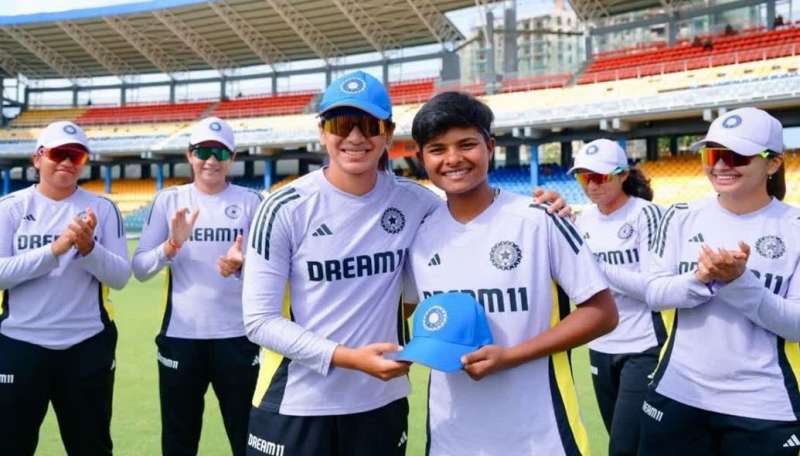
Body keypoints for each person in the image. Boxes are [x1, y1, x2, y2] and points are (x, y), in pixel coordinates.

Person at [241, 72, 570, 456]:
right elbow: (259, 321)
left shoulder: (418, 203)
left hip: (381, 399)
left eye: (369, 125)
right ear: (322, 132)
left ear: (388, 134)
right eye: (341, 124)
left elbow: (477, 222)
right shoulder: (283, 207)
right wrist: (348, 357)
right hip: (295, 402)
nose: (355, 137)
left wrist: (548, 207)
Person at [402, 91, 618, 455]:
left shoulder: (540, 219)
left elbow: (603, 313)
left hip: (540, 437)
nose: (453, 159)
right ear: (421, 157)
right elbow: (405, 311)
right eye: (437, 149)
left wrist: (512, 356)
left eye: (466, 144)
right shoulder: (418, 235)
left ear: (490, 146)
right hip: (448, 438)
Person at [640, 107, 800, 456]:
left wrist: (739, 282)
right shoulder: (680, 216)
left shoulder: (794, 227)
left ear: (773, 163)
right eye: (713, 155)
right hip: (677, 392)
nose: (721, 165)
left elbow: (796, 326)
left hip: (762, 406)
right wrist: (701, 280)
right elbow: (653, 293)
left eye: (736, 156)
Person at [132, 117, 262, 456]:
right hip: (181, 338)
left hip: (239, 338)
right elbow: (140, 268)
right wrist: (171, 246)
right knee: (179, 440)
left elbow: (271, 272)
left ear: (233, 158)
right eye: (203, 151)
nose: (212, 160)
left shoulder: (252, 202)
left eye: (221, 153)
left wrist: (241, 265)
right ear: (190, 155)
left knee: (247, 437)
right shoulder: (169, 200)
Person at [0, 121, 131, 455]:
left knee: (91, 446)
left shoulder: (103, 208)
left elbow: (120, 277)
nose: (68, 162)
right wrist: (55, 250)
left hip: (86, 344)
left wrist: (89, 249)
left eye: (77, 156)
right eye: (59, 154)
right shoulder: (10, 208)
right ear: (38, 158)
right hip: (19, 343)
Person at [569, 139, 667, 456]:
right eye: (584, 177)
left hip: (642, 345)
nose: (591, 185)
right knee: (618, 435)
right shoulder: (582, 220)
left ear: (623, 175)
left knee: (625, 447)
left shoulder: (646, 214)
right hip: (599, 344)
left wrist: (597, 267)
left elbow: (654, 287)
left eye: (599, 177)